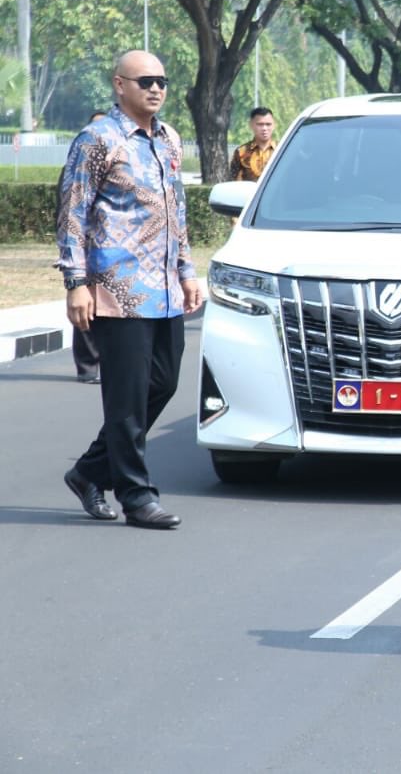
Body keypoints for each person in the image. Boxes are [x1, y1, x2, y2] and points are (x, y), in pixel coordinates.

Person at [56, 51, 204, 528]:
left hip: (163, 290)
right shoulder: (97, 140)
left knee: (163, 382)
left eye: (161, 80)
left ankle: (88, 472)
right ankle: (137, 497)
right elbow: (72, 213)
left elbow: (176, 210)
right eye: (145, 81)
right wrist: (76, 282)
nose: (156, 89)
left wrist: (186, 270)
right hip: (116, 290)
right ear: (120, 85)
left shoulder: (169, 140)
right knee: (125, 398)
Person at [64, 111, 108, 384]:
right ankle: (88, 366)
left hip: (111, 250)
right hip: (85, 248)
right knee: (85, 309)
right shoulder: (78, 161)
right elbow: (69, 212)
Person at [229, 106, 276, 182]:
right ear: (251, 125)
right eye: (260, 124)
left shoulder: (282, 149)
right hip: (250, 193)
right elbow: (233, 182)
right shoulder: (241, 152)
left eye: (268, 124)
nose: (264, 128)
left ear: (274, 125)